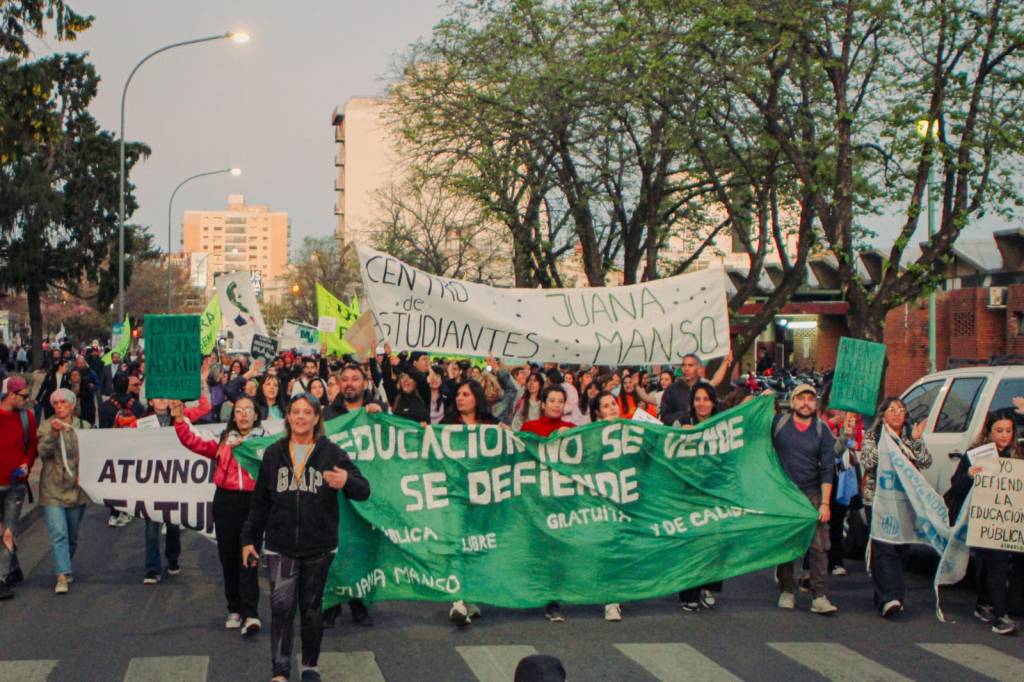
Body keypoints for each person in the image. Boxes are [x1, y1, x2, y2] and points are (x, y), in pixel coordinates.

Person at [241, 393, 370, 682]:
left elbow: (364, 490)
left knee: (311, 610)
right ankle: (280, 672)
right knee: (281, 607)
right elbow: (260, 502)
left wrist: (347, 481)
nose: (300, 417)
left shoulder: (332, 453)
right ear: (288, 417)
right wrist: (249, 538)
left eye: (306, 412)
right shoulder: (274, 454)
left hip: (319, 547)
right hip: (280, 545)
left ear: (315, 418)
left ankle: (310, 665)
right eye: (295, 411)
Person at [175, 394, 266, 635]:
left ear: (256, 414)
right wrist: (179, 420)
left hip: (253, 503)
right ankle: (234, 609)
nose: (243, 414)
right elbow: (194, 442)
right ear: (233, 415)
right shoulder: (224, 440)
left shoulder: (266, 443)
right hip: (225, 502)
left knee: (249, 557)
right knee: (228, 557)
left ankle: (251, 613)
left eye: (248, 409)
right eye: (238, 410)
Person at [319, 363, 384, 627]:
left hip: (363, 490)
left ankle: (359, 604)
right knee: (333, 549)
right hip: (332, 493)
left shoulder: (378, 411)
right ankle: (331, 605)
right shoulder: (326, 414)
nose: (349, 383)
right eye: (344, 379)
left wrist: (379, 416)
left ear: (364, 383)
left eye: (354, 379)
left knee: (360, 547)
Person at [946, 409, 1020, 635]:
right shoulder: (976, 454)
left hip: (1008, 522)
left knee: (995, 564)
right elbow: (956, 486)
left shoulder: (1017, 455)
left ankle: (984, 602)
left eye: (1008, 431)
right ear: (989, 432)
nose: (1004, 436)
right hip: (982, 521)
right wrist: (969, 473)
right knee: (995, 561)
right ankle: (1000, 615)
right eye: (999, 431)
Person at [771, 383, 839, 615]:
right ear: (793, 402)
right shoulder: (779, 424)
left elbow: (828, 468)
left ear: (816, 404)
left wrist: (825, 503)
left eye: (811, 399)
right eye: (801, 398)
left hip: (812, 493)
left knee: (819, 546)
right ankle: (787, 590)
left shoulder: (822, 431)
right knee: (787, 545)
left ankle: (819, 595)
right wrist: (760, 399)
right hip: (785, 494)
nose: (806, 402)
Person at [859, 397, 930, 618]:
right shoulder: (874, 436)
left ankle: (891, 595)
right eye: (892, 410)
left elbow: (926, 461)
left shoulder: (910, 438)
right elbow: (868, 461)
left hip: (905, 501)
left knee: (901, 548)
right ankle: (888, 597)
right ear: (883, 415)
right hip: (879, 500)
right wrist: (886, 446)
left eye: (901, 410)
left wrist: (916, 441)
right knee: (883, 547)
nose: (898, 414)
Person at [521, 385, 576, 623]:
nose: (556, 404)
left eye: (560, 401)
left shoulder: (572, 429)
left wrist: (570, 440)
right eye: (552, 400)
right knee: (536, 549)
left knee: (557, 552)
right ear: (543, 404)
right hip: (536, 498)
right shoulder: (530, 428)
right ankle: (532, 592)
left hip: (561, 500)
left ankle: (552, 601)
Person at [677, 383, 726, 612]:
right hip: (688, 492)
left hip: (715, 492)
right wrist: (681, 437)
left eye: (706, 399)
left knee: (713, 541)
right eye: (698, 398)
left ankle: (709, 586)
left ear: (713, 402)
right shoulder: (682, 424)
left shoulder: (724, 425)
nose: (702, 403)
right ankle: (689, 592)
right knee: (691, 542)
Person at [36, 388, 90, 594]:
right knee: (59, 533)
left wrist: (84, 473)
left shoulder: (84, 427)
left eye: (63, 402)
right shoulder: (46, 426)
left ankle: (65, 565)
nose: (59, 406)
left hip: (76, 490)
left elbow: (91, 454)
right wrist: (53, 433)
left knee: (72, 535)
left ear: (72, 405)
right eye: (55, 403)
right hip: (52, 489)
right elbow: (43, 452)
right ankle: (61, 575)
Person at [589, 390, 627, 621]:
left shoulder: (633, 430)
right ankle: (610, 598)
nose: (612, 408)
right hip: (600, 499)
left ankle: (614, 597)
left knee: (619, 548)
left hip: (628, 498)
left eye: (614, 404)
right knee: (607, 547)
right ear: (597, 413)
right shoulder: (590, 435)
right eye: (606, 406)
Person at [0, 376, 38, 600]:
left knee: (8, 531)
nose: (26, 400)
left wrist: (27, 463)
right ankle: (13, 568)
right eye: (23, 396)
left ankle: (2, 578)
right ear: (10, 394)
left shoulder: (27, 417)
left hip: (15, 484)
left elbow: (32, 446)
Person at [660, 352, 732, 426]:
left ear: (699, 368)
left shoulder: (705, 387)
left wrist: (725, 362)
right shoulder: (671, 390)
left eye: (690, 365)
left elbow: (716, 411)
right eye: (684, 365)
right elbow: (664, 417)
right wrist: (682, 420)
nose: (686, 369)